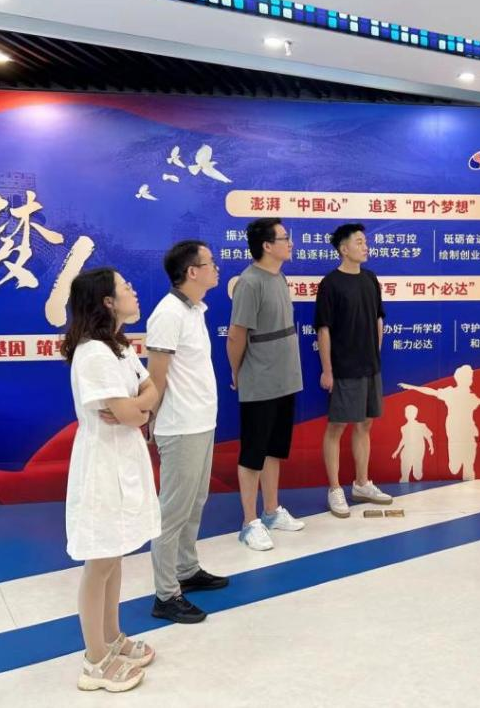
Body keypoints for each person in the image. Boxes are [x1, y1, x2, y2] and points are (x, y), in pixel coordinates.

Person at [62, 267, 160, 693]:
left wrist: (139, 407)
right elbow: (128, 413)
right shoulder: (93, 354)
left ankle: (112, 636)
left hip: (123, 456)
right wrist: (139, 409)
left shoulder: (117, 346)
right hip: (102, 463)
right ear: (107, 301)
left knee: (115, 554)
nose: (133, 291)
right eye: (125, 287)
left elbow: (152, 390)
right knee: (100, 560)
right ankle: (94, 660)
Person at [145, 240, 228, 624]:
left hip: (200, 421)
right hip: (180, 425)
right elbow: (157, 376)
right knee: (173, 510)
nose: (216, 268)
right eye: (210, 263)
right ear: (192, 272)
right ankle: (166, 594)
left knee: (195, 502)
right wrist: (151, 418)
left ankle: (186, 569)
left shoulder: (195, 310)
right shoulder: (168, 314)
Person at [227, 218, 305, 551]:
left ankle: (271, 511)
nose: (291, 243)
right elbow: (236, 335)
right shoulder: (249, 283)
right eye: (285, 238)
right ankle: (249, 522)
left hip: (285, 378)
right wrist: (237, 372)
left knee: (274, 449)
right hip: (259, 380)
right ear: (267, 246)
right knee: (253, 453)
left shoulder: (279, 277)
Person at [314, 222, 393, 517]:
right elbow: (323, 329)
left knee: (365, 424)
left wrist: (375, 353)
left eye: (365, 241)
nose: (365, 246)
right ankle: (334, 488)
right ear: (343, 249)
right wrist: (327, 370)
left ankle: (361, 483)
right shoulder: (330, 283)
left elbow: (378, 318)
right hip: (344, 368)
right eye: (359, 242)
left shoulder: (370, 279)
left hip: (371, 366)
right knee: (336, 426)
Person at [398, 365, 480, 481]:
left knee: (469, 465)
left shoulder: (471, 396)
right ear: (460, 378)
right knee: (454, 468)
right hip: (454, 432)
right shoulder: (450, 392)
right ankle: (455, 462)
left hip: (469, 431)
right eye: (469, 377)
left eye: (471, 377)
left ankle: (469, 481)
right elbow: (432, 392)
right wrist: (412, 387)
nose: (471, 379)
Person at [391, 404, 434, 483]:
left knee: (417, 475)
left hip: (418, 450)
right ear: (405, 414)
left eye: (411, 413)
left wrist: (431, 446)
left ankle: (417, 470)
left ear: (415, 414)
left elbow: (428, 436)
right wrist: (397, 451)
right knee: (405, 464)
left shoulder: (421, 426)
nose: (409, 414)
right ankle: (404, 477)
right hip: (406, 450)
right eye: (407, 412)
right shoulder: (403, 428)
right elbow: (403, 440)